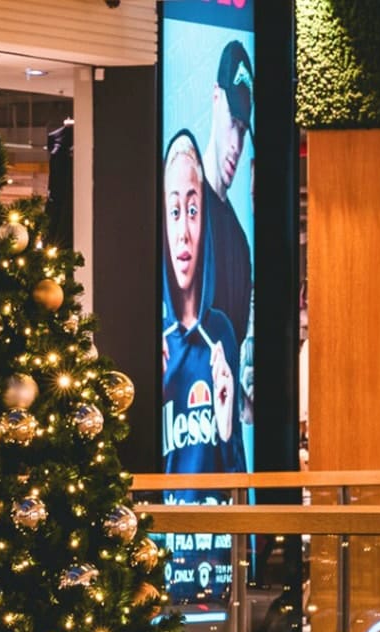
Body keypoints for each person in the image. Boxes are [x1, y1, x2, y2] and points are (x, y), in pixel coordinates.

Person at [162, 128, 244, 477]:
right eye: (174, 211)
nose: (183, 233)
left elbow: (236, 468)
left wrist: (225, 424)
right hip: (168, 527)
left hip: (219, 527)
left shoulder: (221, 332)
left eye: (193, 210)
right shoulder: (157, 342)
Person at [201, 39, 254, 348]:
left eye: (243, 130)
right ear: (216, 97)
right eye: (233, 123)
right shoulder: (179, 205)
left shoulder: (240, 245)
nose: (236, 144)